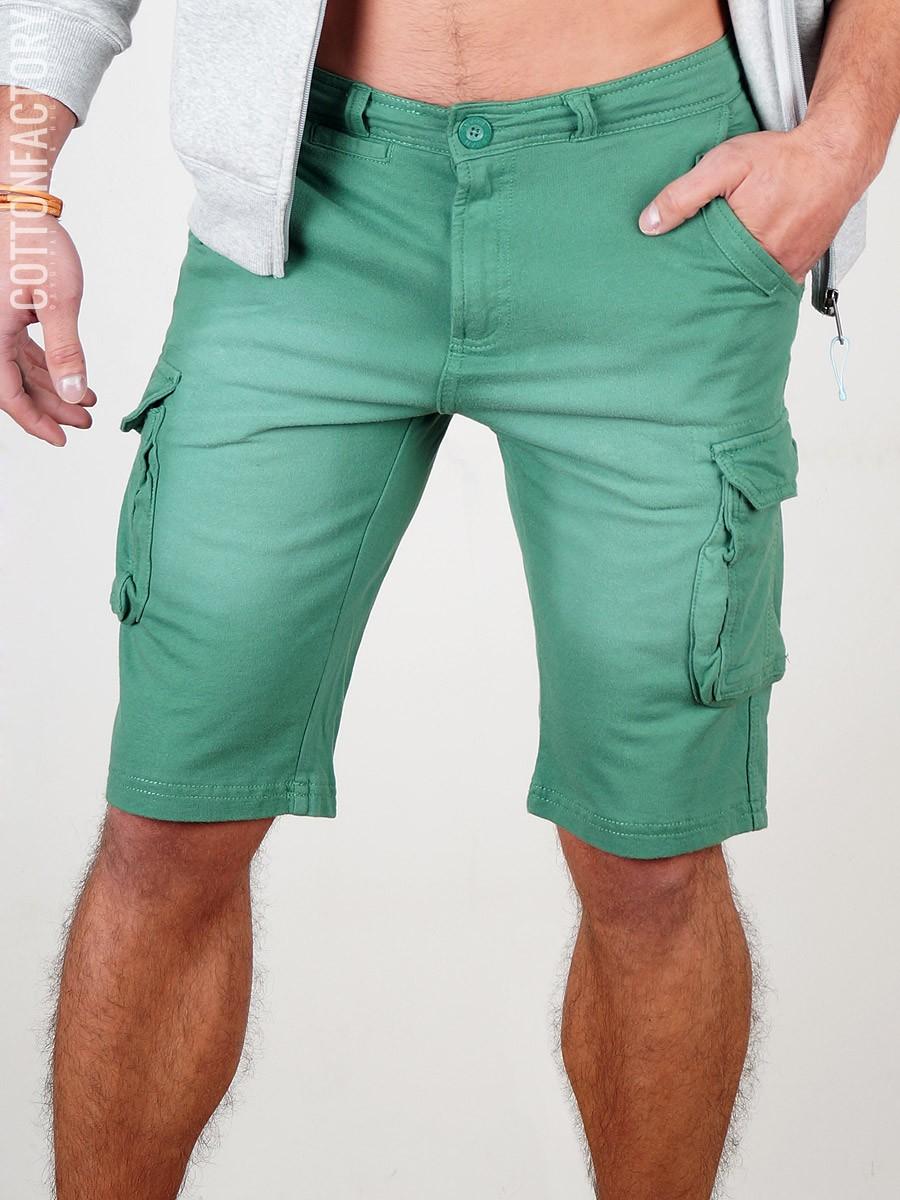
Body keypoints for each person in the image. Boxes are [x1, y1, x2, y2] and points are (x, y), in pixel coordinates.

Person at [0, 0, 897, 1196]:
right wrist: (18, 188)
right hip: (307, 206)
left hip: (662, 195)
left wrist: (844, 138)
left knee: (653, 857)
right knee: (169, 816)